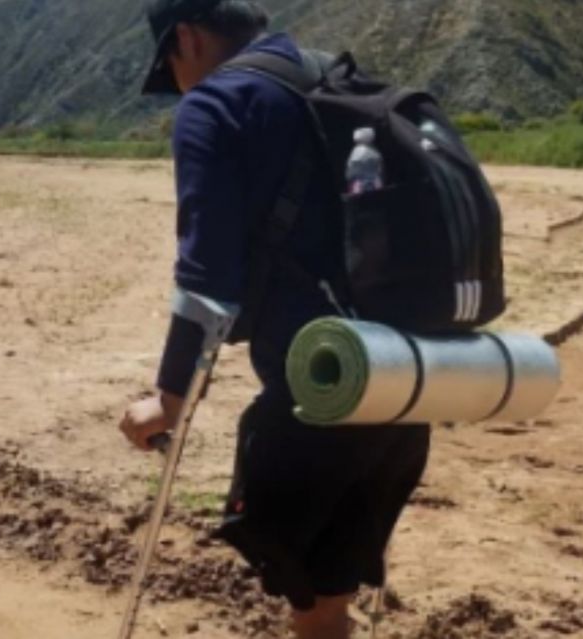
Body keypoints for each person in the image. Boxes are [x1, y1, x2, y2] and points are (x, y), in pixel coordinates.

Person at [118, 2, 430, 637]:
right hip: (409, 376)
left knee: (308, 590)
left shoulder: (215, 105)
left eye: (170, 64)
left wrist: (169, 402)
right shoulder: (333, 82)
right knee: (326, 600)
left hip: (321, 392)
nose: (178, 81)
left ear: (187, 38)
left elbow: (206, 276)